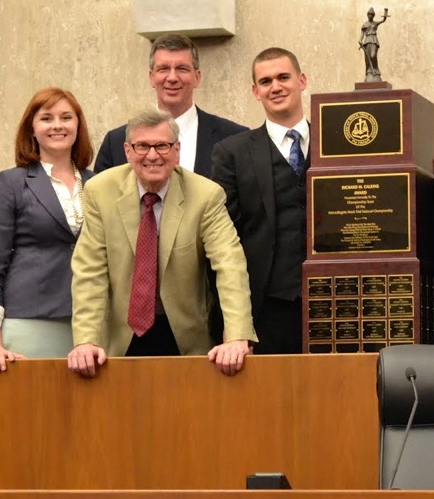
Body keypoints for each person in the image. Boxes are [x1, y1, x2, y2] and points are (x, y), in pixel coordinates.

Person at [68, 109, 256, 378]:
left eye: (162, 145)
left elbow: (230, 265)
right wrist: (86, 340)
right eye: (142, 146)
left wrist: (237, 336)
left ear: (177, 150)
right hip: (121, 336)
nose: (152, 155)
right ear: (127, 150)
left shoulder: (206, 195)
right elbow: (90, 272)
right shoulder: (100, 191)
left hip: (185, 337)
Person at [0, 87, 95, 370]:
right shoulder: (11, 183)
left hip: (89, 322)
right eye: (46, 118)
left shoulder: (98, 182)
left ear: (78, 126)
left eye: (66, 117)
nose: (57, 125)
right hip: (29, 319)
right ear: (32, 129)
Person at [211, 47, 309, 355]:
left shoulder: (336, 143)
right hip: (266, 306)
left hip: (333, 301)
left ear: (302, 81)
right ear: (256, 91)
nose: (276, 87)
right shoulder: (232, 153)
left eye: (284, 77)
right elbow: (224, 236)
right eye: (265, 81)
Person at [93, 33, 246, 176]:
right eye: (163, 69)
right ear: (152, 77)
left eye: (182, 69)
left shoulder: (234, 139)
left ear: (197, 77)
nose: (172, 77)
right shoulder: (116, 143)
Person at [358, 7, 390, 82]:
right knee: (367, 57)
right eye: (369, 14)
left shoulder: (375, 23)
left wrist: (385, 13)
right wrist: (360, 40)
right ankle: (369, 71)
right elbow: (362, 33)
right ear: (367, 15)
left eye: (371, 15)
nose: (370, 16)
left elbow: (383, 20)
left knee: (373, 55)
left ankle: (376, 70)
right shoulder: (365, 24)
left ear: (373, 15)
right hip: (367, 41)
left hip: (374, 40)